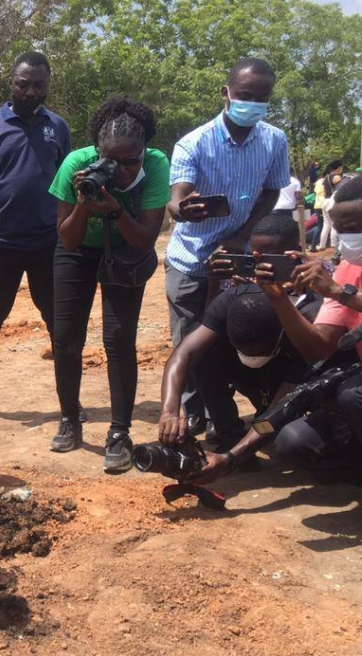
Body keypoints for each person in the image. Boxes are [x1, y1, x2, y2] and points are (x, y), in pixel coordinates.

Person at [165, 57, 290, 435]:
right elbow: (176, 199)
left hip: (242, 259)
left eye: (262, 97)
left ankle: (233, 414)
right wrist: (183, 210)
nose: (252, 102)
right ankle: (192, 413)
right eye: (244, 95)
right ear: (226, 93)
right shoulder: (193, 143)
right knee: (189, 340)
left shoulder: (274, 140)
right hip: (191, 259)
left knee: (240, 335)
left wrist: (241, 236)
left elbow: (271, 191)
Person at [47, 97, 170, 472]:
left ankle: (119, 432)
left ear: (144, 149)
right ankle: (70, 418)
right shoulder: (77, 164)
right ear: (97, 152)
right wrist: (86, 203)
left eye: (132, 160)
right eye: (111, 160)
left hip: (127, 248)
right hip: (79, 251)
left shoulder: (156, 163)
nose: (122, 169)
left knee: (118, 340)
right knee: (66, 339)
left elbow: (146, 238)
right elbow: (67, 239)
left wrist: (115, 210)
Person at [158, 214, 333, 464]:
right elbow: (186, 351)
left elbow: (285, 401)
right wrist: (169, 411)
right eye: (254, 256)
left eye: (268, 257)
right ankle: (229, 432)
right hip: (256, 371)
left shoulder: (318, 295)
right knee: (204, 352)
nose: (258, 264)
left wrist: (231, 459)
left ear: (293, 251)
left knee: (288, 436)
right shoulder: (239, 285)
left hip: (294, 377)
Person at [0, 51, 71, 426]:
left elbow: (68, 182)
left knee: (59, 323)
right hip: (0, 243)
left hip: (48, 244)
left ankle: (69, 403)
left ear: (47, 85)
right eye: (24, 84)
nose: (31, 92)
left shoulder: (58, 127)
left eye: (39, 85)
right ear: (11, 83)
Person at [259, 173, 362, 479]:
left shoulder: (340, 283)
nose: (347, 239)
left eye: (355, 229)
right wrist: (278, 299)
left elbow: (340, 294)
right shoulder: (347, 269)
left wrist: (335, 291)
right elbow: (318, 347)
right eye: (341, 230)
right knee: (295, 441)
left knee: (353, 395)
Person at [316, 159, 344, 251]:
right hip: (333, 201)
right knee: (334, 224)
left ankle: (322, 245)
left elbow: (324, 192)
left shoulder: (326, 178)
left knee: (326, 224)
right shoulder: (337, 178)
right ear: (339, 168)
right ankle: (333, 244)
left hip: (325, 201)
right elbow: (339, 190)